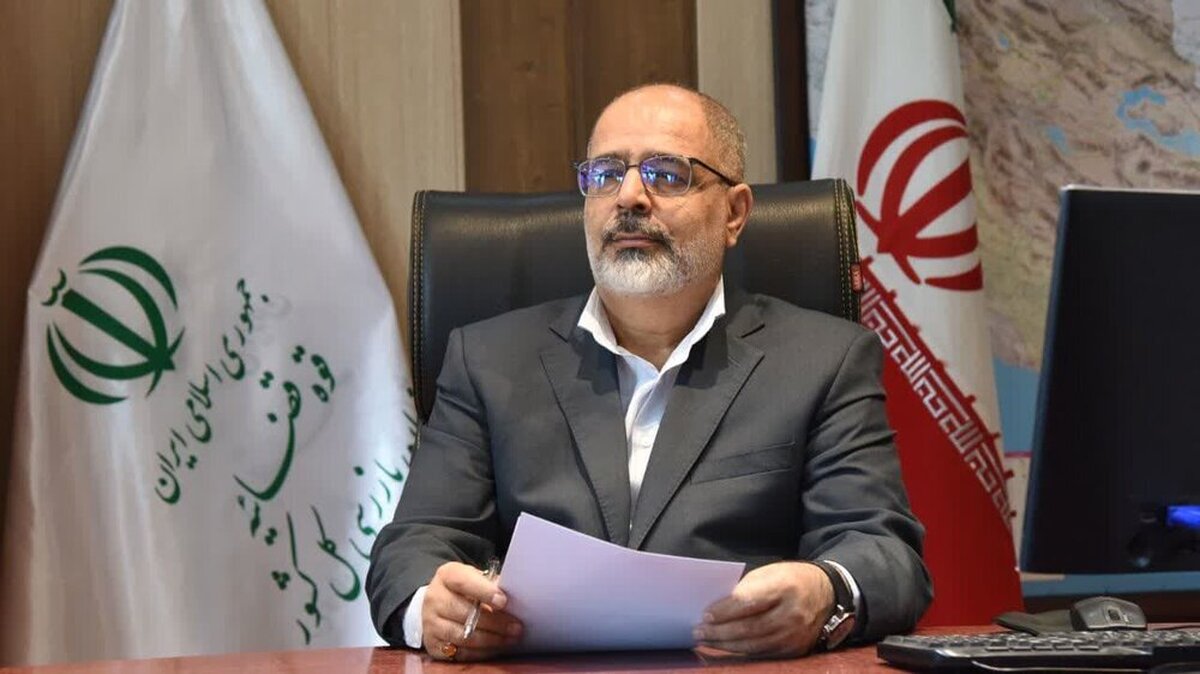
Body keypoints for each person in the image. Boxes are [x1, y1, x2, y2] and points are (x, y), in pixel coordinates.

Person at [367, 83, 931, 661]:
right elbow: (411, 548)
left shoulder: (824, 360)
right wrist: (428, 606)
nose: (629, 196)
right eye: (606, 174)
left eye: (667, 174)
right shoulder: (488, 360)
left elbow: (886, 554)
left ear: (734, 213)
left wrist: (826, 592)